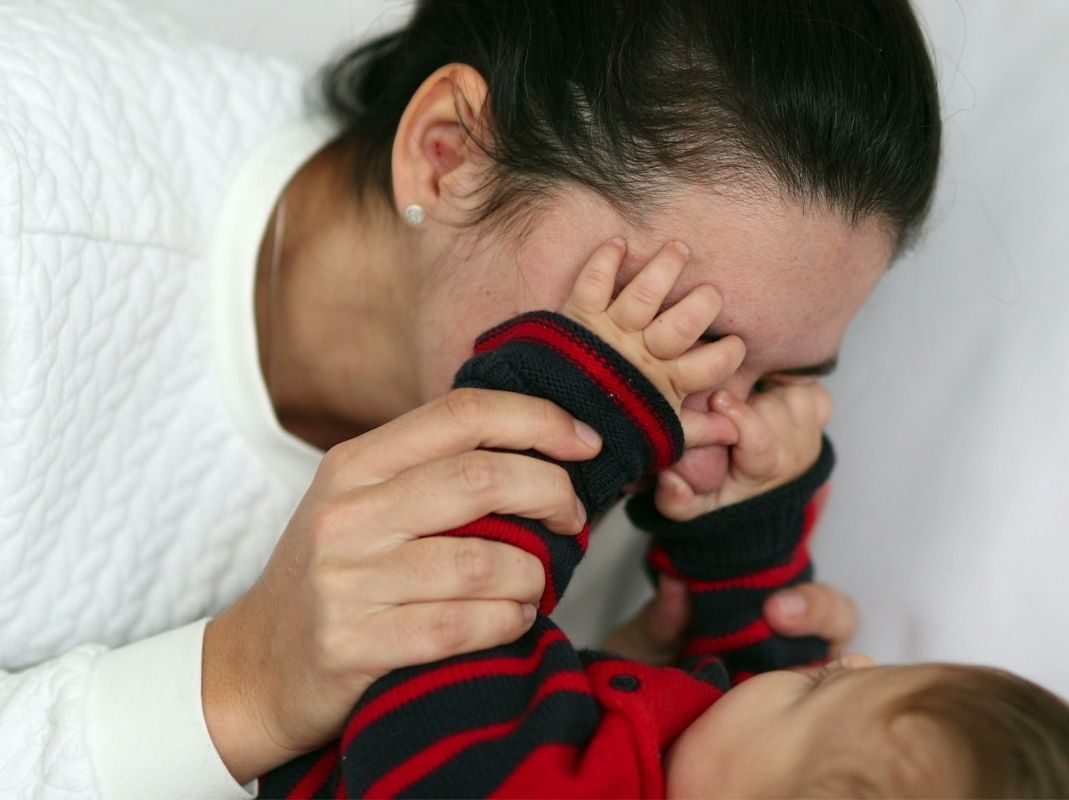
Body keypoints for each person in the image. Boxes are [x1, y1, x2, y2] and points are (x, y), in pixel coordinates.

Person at [0, 0, 934, 796]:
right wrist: (238, 685)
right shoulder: (32, 219)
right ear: (448, 155)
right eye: (663, 330)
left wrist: (621, 727)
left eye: (774, 383)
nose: (696, 452)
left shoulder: (616, 491)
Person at [259, 240, 1069, 799]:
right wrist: (745, 520)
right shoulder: (717, 765)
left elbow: (448, 615)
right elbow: (755, 674)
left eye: (823, 691)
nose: (850, 660)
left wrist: (586, 395)